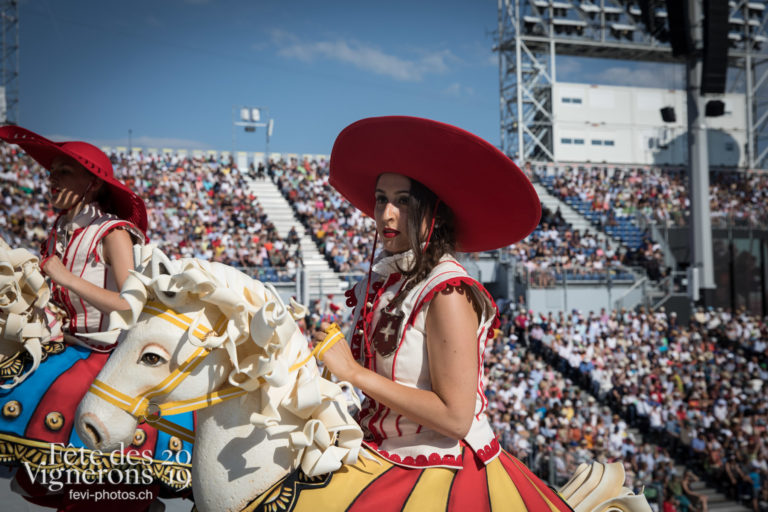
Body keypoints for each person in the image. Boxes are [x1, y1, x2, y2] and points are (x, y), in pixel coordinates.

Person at [313, 116, 571, 509]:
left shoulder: (448, 291)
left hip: (444, 467)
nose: (386, 214)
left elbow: (455, 418)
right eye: (381, 199)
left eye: (403, 201)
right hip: (379, 454)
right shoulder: (381, 283)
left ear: (434, 211)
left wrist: (353, 373)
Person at [0, 127, 189, 511]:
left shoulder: (113, 233)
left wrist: (66, 278)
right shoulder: (57, 233)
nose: (52, 179)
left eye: (64, 172)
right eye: (52, 172)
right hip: (65, 347)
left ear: (93, 183)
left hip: (106, 353)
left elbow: (130, 305)